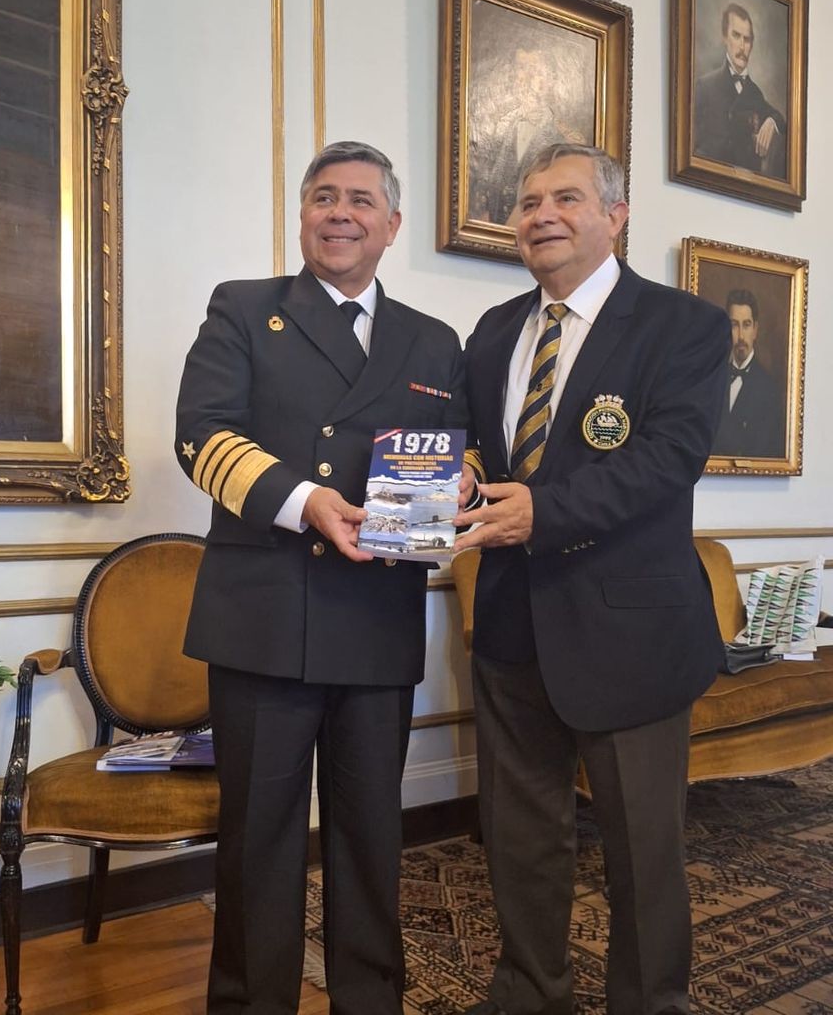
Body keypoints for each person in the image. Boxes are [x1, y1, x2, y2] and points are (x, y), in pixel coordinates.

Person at [175, 140, 466, 1015]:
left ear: (392, 225)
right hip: (262, 619)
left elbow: (465, 459)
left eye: (361, 201)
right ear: (302, 215)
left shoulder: (433, 339)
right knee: (258, 842)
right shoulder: (243, 308)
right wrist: (308, 503)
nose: (340, 213)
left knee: (370, 840)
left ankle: (368, 1002)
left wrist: (460, 488)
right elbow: (202, 436)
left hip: (375, 619)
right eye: (323, 197)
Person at [454, 143, 729, 1015]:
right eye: (528, 202)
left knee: (641, 852)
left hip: (632, 634)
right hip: (507, 627)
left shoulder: (683, 324)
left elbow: (667, 461)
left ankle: (651, 1003)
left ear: (616, 215)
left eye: (565, 198)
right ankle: (529, 993)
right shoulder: (494, 330)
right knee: (520, 839)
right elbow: (476, 447)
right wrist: (455, 473)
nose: (541, 215)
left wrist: (545, 512)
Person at [469, 46, 585, 226]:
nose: (528, 78)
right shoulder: (496, 129)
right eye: (522, 68)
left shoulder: (568, 141)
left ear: (552, 80)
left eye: (537, 71)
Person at [693, 2, 786, 177]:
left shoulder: (755, 93)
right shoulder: (704, 86)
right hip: (707, 184)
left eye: (747, 39)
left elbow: (780, 118)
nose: (742, 46)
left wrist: (772, 121)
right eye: (736, 36)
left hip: (746, 193)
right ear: (724, 37)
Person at [712, 287, 785, 458]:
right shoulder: (714, 378)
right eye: (734, 325)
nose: (741, 336)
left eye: (746, 325)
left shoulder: (769, 390)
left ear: (755, 330)